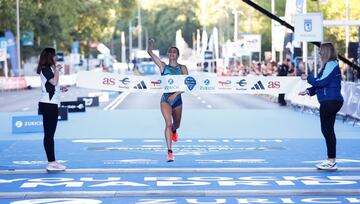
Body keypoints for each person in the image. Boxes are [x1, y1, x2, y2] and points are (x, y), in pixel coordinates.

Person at [299, 42, 343, 170]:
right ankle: (331, 160)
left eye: (320, 51)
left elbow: (321, 82)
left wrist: (308, 77)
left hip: (330, 101)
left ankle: (331, 161)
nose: (319, 53)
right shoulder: (331, 65)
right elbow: (320, 83)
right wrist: (308, 91)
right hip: (331, 101)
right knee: (328, 130)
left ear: (325, 52)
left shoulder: (330, 64)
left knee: (327, 131)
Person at [147, 38, 188, 162]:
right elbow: (150, 52)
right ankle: (170, 152)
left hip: (177, 99)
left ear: (177, 55)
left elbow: (186, 85)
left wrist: (175, 94)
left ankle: (175, 130)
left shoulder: (183, 68)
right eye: (170, 52)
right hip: (165, 99)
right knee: (168, 124)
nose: (171, 54)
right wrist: (150, 44)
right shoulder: (163, 66)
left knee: (176, 125)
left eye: (174, 52)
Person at [37, 47, 68, 171]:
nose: (56, 58)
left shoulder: (49, 69)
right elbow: (54, 82)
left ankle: (53, 161)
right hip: (48, 104)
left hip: (51, 103)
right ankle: (51, 162)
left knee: (50, 134)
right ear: (50, 56)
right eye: (54, 55)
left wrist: (61, 88)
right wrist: (57, 70)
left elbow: (52, 86)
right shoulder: (45, 69)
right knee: (49, 134)